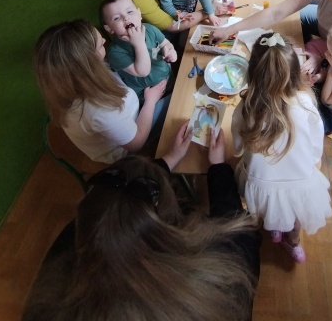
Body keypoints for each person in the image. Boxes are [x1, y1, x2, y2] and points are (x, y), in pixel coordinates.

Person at [22, 127, 261, 321]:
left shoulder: (68, 250)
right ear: (168, 224)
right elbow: (236, 229)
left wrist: (167, 161)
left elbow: (123, 202)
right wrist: (218, 167)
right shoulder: (218, 278)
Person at [232, 32, 332, 263]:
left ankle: (275, 228)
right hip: (299, 182)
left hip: (260, 182)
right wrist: (312, 162)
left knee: (268, 207)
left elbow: (238, 147)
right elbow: (316, 142)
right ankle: (292, 242)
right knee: (295, 218)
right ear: (294, 73)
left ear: (252, 74)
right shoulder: (305, 103)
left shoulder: (246, 107)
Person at [34, 19, 168, 163]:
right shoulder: (100, 109)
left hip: (128, 114)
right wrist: (150, 102)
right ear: (89, 61)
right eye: (100, 45)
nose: (104, 40)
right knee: (176, 100)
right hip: (128, 151)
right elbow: (137, 143)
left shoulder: (73, 80)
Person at [100, 0, 176, 109]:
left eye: (130, 12)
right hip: (147, 94)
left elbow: (165, 43)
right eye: (117, 18)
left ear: (139, 14)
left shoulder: (149, 29)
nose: (126, 18)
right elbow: (142, 71)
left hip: (167, 76)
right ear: (109, 28)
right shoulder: (115, 52)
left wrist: (170, 51)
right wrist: (139, 43)